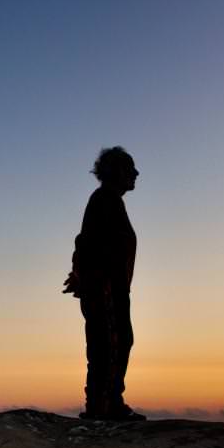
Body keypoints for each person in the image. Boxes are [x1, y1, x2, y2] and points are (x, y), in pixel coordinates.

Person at [62, 147, 146, 421]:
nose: (135, 174)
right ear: (117, 171)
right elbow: (86, 242)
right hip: (106, 287)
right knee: (111, 341)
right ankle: (104, 405)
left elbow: (86, 241)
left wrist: (80, 274)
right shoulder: (104, 199)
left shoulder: (109, 201)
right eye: (130, 168)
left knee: (116, 340)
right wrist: (84, 275)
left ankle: (106, 402)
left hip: (111, 287)